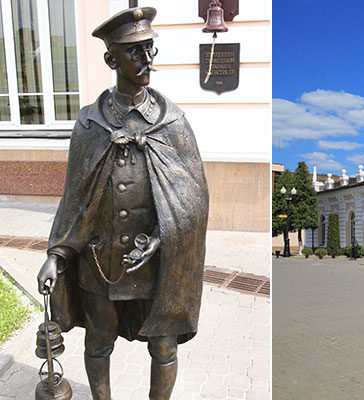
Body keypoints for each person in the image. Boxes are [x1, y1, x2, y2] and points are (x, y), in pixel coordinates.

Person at [36, 7, 209, 400]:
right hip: (100, 262)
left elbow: (193, 200)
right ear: (111, 59)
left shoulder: (172, 123)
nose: (147, 59)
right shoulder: (89, 124)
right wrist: (58, 256)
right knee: (98, 343)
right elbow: (75, 200)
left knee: (164, 347)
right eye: (135, 51)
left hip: (157, 266)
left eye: (150, 49)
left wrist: (161, 239)